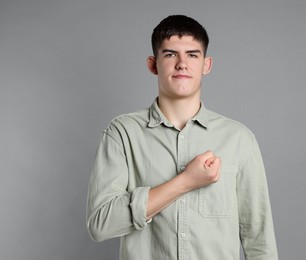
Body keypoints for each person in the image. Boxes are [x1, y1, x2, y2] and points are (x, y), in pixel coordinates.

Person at [86, 15, 278, 260]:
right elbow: (100, 224)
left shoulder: (239, 139)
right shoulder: (122, 133)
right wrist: (186, 182)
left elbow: (259, 241)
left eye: (192, 54)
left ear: (206, 65)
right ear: (153, 64)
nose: (182, 64)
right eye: (170, 54)